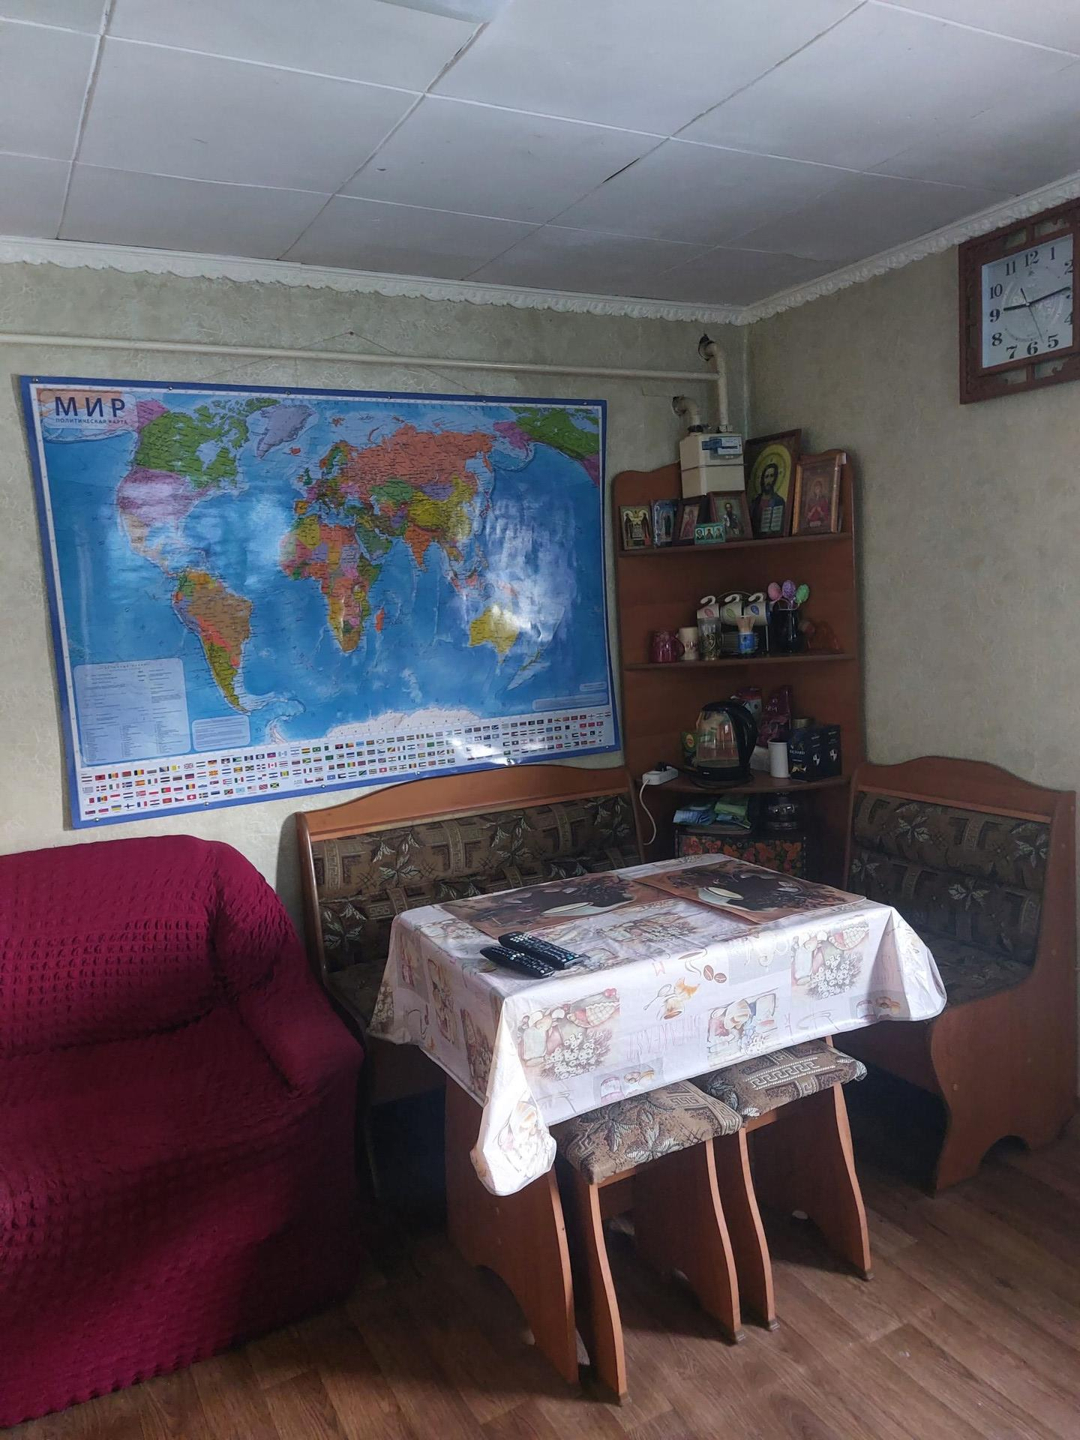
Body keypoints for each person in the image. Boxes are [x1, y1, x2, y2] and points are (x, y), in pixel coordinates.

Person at [752, 460, 786, 536]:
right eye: (766, 477)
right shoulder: (755, 502)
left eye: (771, 476)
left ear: (775, 478)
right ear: (762, 479)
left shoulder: (779, 501)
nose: (769, 480)